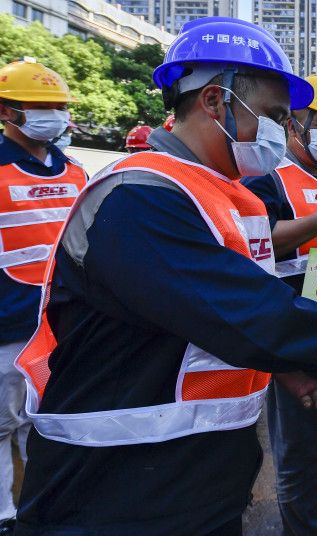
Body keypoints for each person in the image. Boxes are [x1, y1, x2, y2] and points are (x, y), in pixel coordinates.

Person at [13, 18, 317, 535]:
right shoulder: (140, 198)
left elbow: (218, 315)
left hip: (187, 473)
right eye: (275, 116)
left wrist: (284, 366)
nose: (283, 131)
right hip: (113, 486)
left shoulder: (220, 193)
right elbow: (247, 313)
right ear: (215, 101)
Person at [240, 73, 317, 534]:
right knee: (299, 432)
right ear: (294, 124)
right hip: (294, 316)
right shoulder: (269, 176)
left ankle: (312, 502)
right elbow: (258, 240)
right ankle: (304, 522)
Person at [0, 57, 87, 534]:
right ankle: (4, 515)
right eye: (39, 107)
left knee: (47, 421)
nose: (52, 116)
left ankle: (42, 506)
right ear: (6, 111)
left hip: (60, 322)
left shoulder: (74, 172)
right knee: (1, 425)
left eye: (58, 107)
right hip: (8, 326)